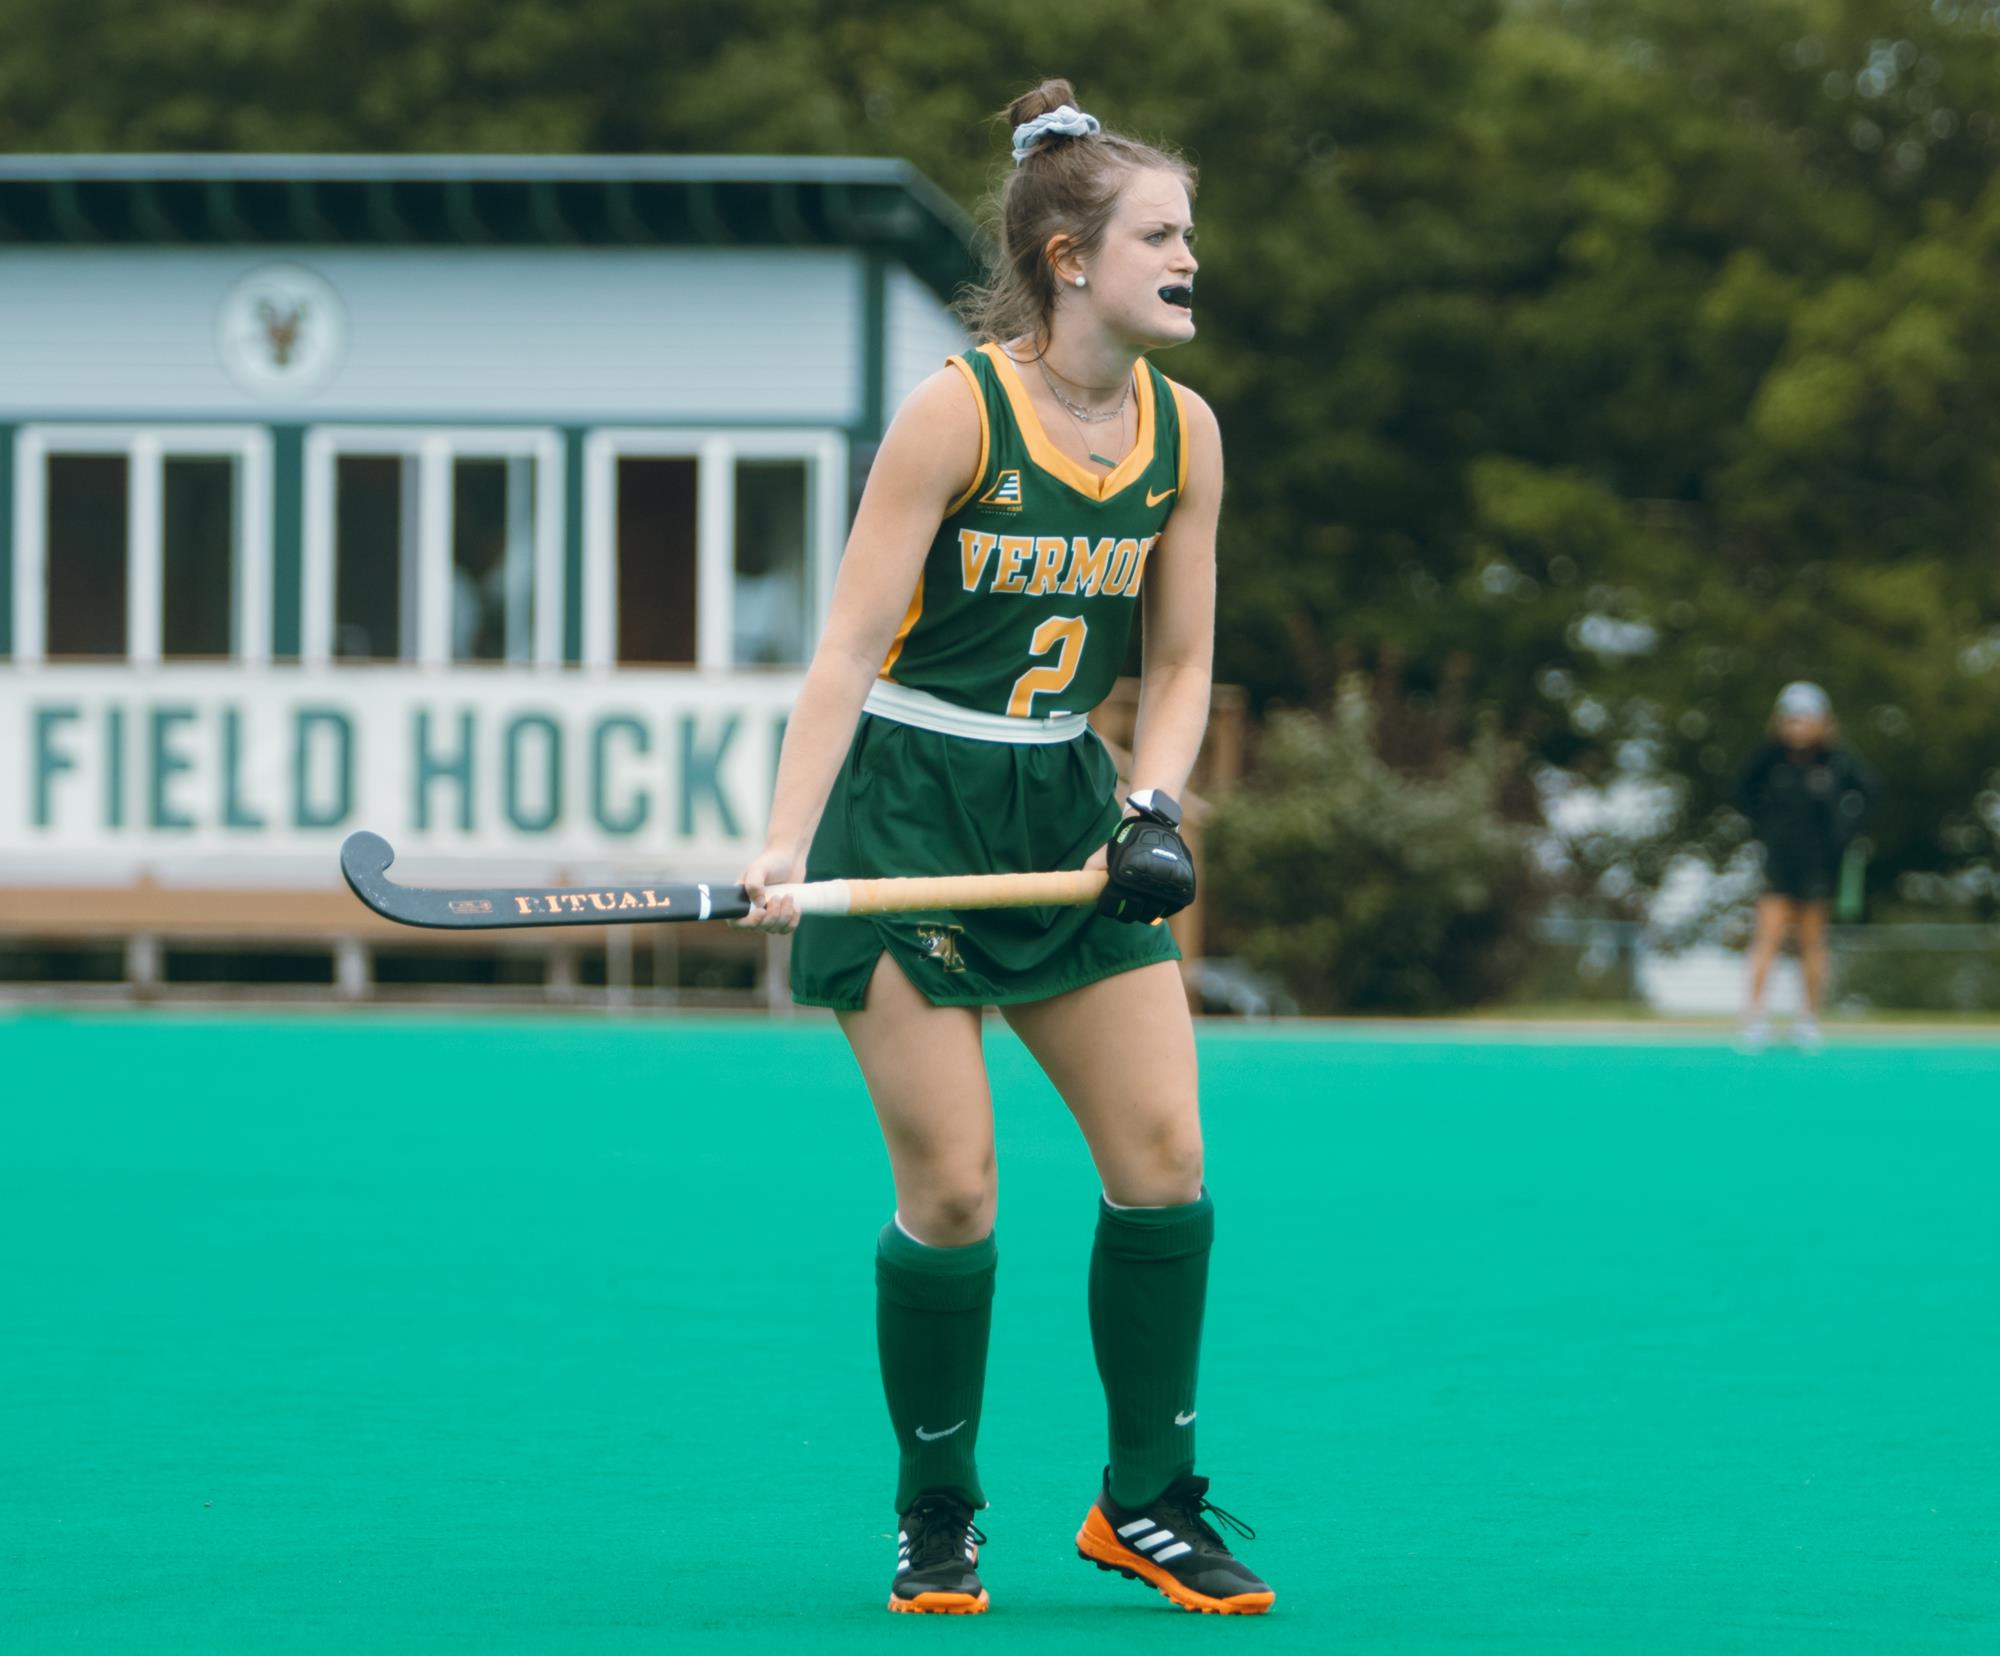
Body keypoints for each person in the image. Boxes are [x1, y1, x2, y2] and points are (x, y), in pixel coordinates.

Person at [732, 80, 1273, 1617]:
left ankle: (1147, 1503)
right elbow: (842, 653)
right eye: (1160, 235)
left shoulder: (1186, 435)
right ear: (1067, 258)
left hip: (1063, 811)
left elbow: (1175, 670)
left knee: (1165, 1162)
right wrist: (783, 845)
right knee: (957, 1192)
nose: (1187, 258)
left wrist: (1155, 810)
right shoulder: (956, 411)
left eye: (1189, 235)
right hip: (905, 811)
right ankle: (937, 1509)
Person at [1736, 681, 1877, 1051]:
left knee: (1813, 941)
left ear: (1822, 722)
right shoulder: (1769, 759)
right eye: (1791, 719)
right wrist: (1763, 827)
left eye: (1805, 719)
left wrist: (1845, 832)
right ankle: (1754, 1018)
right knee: (1767, 936)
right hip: (1780, 862)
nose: (1797, 727)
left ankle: (1808, 1019)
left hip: (1819, 864)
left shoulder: (1837, 761)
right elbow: (1742, 793)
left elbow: (1871, 793)